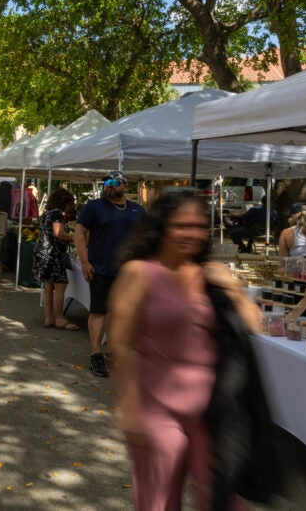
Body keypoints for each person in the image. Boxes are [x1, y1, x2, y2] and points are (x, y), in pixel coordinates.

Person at [109, 192, 265, 510]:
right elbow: (121, 342)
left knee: (223, 498)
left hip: (213, 407)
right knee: (160, 499)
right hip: (156, 404)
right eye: (181, 225)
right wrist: (129, 403)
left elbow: (254, 323)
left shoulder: (209, 273)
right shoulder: (140, 272)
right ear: (161, 227)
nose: (191, 233)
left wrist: (232, 287)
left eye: (198, 226)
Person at [75, 171, 145, 378]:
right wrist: (85, 262)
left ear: (126, 186)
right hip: (101, 269)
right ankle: (96, 354)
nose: (109, 186)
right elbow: (79, 233)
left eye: (114, 183)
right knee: (99, 312)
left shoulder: (137, 210)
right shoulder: (94, 207)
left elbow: (145, 237)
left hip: (127, 273)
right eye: (107, 183)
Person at [34, 188, 79, 330]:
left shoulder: (47, 213)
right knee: (60, 286)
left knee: (48, 287)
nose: (71, 206)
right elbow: (58, 232)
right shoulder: (57, 213)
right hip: (53, 254)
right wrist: (72, 238)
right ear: (64, 202)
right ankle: (59, 318)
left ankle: (49, 318)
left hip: (42, 252)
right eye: (70, 203)